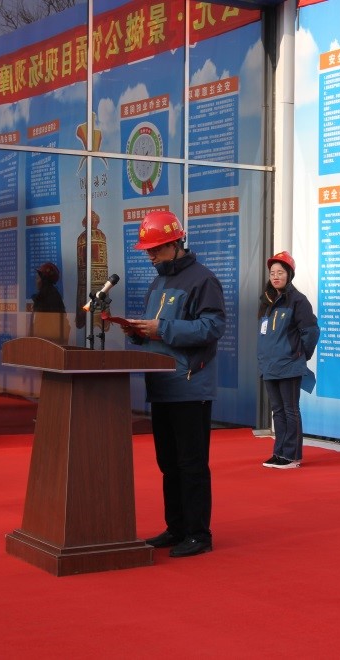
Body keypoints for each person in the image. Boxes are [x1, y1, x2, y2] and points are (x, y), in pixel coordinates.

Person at [120, 210, 226, 558]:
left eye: (155, 249)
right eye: (147, 250)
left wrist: (161, 329)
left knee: (190, 463)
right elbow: (158, 330)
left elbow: (213, 327)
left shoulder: (203, 279)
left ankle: (198, 533)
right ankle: (177, 527)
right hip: (162, 385)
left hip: (190, 385)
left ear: (176, 243)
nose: (149, 256)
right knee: (168, 462)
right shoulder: (158, 283)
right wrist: (138, 333)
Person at [257, 251, 320, 469]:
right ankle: (279, 452)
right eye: (272, 273)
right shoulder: (266, 301)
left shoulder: (298, 301)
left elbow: (311, 331)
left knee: (290, 410)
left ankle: (292, 456)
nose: (275, 277)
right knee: (278, 411)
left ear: (289, 274)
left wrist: (299, 354)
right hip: (269, 365)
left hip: (289, 365)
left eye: (280, 272)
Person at [30, 262, 69, 345]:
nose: (36, 281)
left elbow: (43, 327)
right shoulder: (49, 295)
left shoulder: (47, 298)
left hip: (47, 346)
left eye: (37, 278)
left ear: (44, 280)